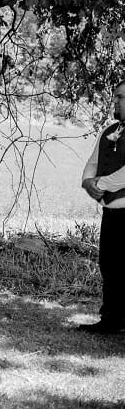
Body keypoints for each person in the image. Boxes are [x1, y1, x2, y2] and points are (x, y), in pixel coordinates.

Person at [79, 80, 125, 334]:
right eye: (115, 97)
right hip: (111, 213)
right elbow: (93, 161)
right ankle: (111, 319)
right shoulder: (110, 130)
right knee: (109, 264)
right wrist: (87, 181)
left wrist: (101, 184)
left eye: (120, 97)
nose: (115, 101)